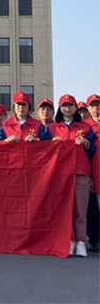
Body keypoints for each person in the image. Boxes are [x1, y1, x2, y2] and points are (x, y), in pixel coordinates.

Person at [49, 94, 95, 257]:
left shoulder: (85, 127)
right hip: (61, 173)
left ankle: (80, 242)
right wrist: (52, 143)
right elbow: (44, 150)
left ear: (75, 108)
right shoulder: (52, 128)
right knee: (65, 209)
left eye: (70, 105)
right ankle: (69, 241)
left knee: (80, 209)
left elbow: (92, 150)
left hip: (80, 171)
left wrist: (86, 143)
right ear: (60, 108)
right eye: (64, 106)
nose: (67, 108)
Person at [84, 94, 100, 252]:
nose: (96, 108)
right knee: (92, 210)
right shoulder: (85, 127)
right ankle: (95, 240)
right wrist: (88, 176)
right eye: (92, 105)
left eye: (98, 105)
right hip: (92, 174)